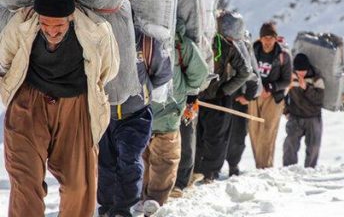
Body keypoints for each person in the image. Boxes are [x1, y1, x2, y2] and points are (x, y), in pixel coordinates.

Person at [1, 0, 119, 217]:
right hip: (28, 104)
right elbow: (4, 58)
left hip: (74, 108)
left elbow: (108, 69)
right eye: (45, 25)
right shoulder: (22, 24)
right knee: (25, 182)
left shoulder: (96, 32)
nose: (51, 32)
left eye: (59, 26)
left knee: (79, 186)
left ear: (71, 17)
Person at [97, 28, 172, 217]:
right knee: (105, 162)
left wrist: (142, 92)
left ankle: (125, 208)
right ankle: (106, 207)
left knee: (129, 160)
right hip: (105, 114)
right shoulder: (99, 35)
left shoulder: (146, 41)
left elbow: (162, 72)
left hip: (136, 115)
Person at [141, 21, 209, 205]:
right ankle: (155, 200)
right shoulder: (181, 45)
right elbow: (200, 75)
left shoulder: (139, 38)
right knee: (165, 160)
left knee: (145, 158)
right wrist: (187, 91)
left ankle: (143, 198)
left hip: (139, 112)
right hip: (169, 113)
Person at [195, 12, 252, 182]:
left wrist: (224, 90)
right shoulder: (209, 41)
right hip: (200, 98)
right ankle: (200, 172)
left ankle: (208, 173)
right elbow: (245, 72)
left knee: (212, 138)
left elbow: (245, 71)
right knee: (203, 137)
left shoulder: (225, 46)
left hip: (212, 99)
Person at [248, 22, 292, 169]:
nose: (267, 41)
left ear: (275, 38)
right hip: (255, 95)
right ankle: (258, 165)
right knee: (254, 131)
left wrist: (271, 88)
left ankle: (265, 167)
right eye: (265, 38)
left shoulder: (282, 56)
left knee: (268, 131)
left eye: (270, 38)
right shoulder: (253, 51)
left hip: (274, 97)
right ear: (260, 39)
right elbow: (247, 72)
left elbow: (287, 80)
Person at [225, 34, 262, 176]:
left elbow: (251, 73)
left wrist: (248, 96)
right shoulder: (217, 41)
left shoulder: (243, 45)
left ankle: (233, 165)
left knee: (238, 134)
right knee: (216, 132)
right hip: (219, 96)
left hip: (237, 99)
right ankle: (211, 168)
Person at [282, 53, 325, 168]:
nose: (301, 73)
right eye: (299, 70)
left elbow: (319, 99)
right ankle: (288, 170)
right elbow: (282, 97)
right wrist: (285, 111)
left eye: (304, 70)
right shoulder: (290, 76)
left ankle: (309, 171)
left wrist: (306, 88)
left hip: (313, 117)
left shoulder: (316, 77)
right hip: (295, 116)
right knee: (290, 144)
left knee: (313, 147)